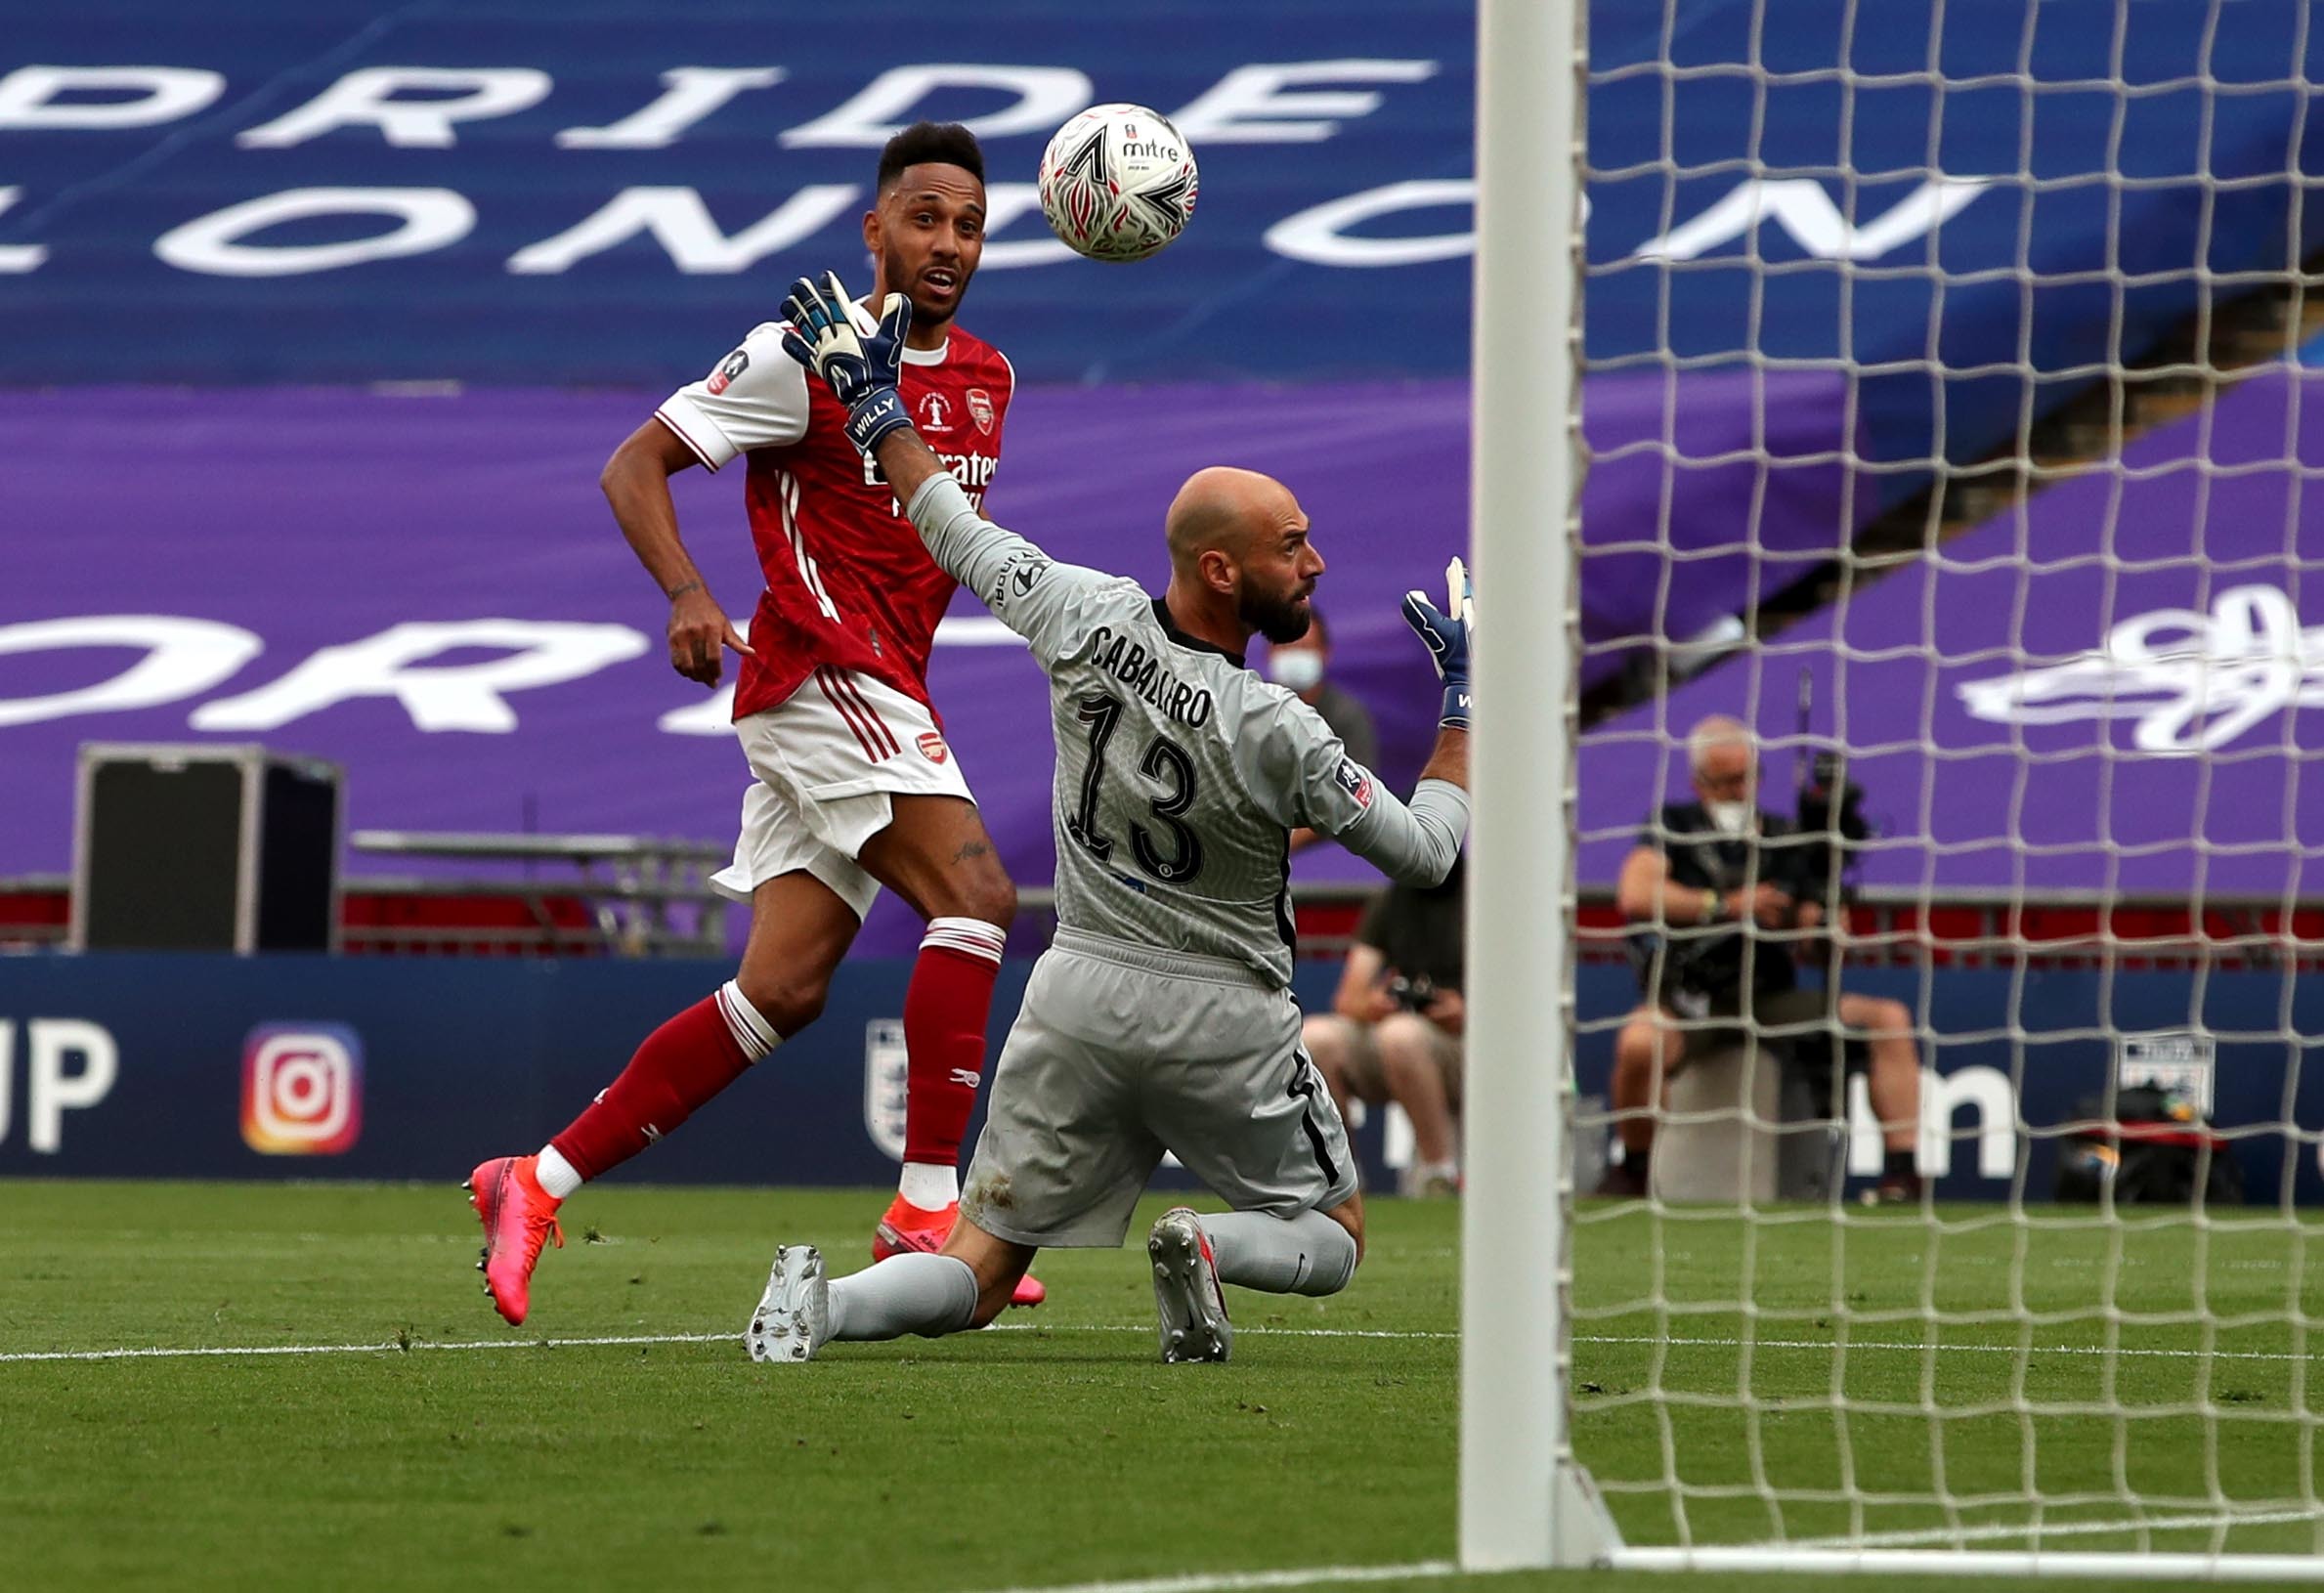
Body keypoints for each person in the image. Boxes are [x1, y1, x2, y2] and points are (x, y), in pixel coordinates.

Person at [744, 272, 1473, 1364]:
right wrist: (1464, 703)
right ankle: (1207, 1248)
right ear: (1221, 571)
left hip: (1075, 995)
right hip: (1221, 1011)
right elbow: (1424, 853)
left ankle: (825, 1305)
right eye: (1291, 545)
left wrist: (880, 413)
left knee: (982, 1267)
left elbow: (948, 526)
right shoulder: (1279, 727)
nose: (1313, 562)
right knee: (1334, 1232)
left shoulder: (1077, 611)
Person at [467, 121, 1044, 1325]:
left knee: (780, 994)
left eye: (970, 226)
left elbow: (942, 543)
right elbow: (635, 464)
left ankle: (534, 1178)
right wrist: (686, 590)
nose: (947, 243)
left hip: (890, 685)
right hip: (822, 673)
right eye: (924, 217)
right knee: (977, 899)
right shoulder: (802, 354)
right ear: (873, 228)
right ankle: (925, 1207)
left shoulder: (986, 378)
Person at [1603, 714, 1922, 1202]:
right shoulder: (1672, 824)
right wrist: (1728, 905)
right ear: (1699, 783)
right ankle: (1635, 1169)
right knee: (1639, 1044)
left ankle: (1904, 1173)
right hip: (1691, 1000)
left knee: (1888, 1019)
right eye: (1726, 780)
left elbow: (1815, 928)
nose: (1739, 790)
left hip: (1770, 995)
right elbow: (1637, 893)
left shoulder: (1785, 835)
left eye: (1747, 777)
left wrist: (1817, 923)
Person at [1301, 859, 1465, 1195]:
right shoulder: (1393, 898)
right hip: (1405, 1040)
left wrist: (1468, 1009)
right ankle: (1340, 1176)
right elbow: (1348, 997)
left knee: (1402, 1035)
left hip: (1475, 1044)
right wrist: (1375, 1004)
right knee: (1314, 1037)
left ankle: (1440, 1173)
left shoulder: (1486, 896)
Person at [1266, 610, 1379, 852]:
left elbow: (1356, 800)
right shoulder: (1251, 713)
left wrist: (1289, 842)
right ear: (1270, 653)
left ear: (1325, 653)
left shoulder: (1347, 718)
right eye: (1286, 647)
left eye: (1305, 647)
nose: (1295, 655)